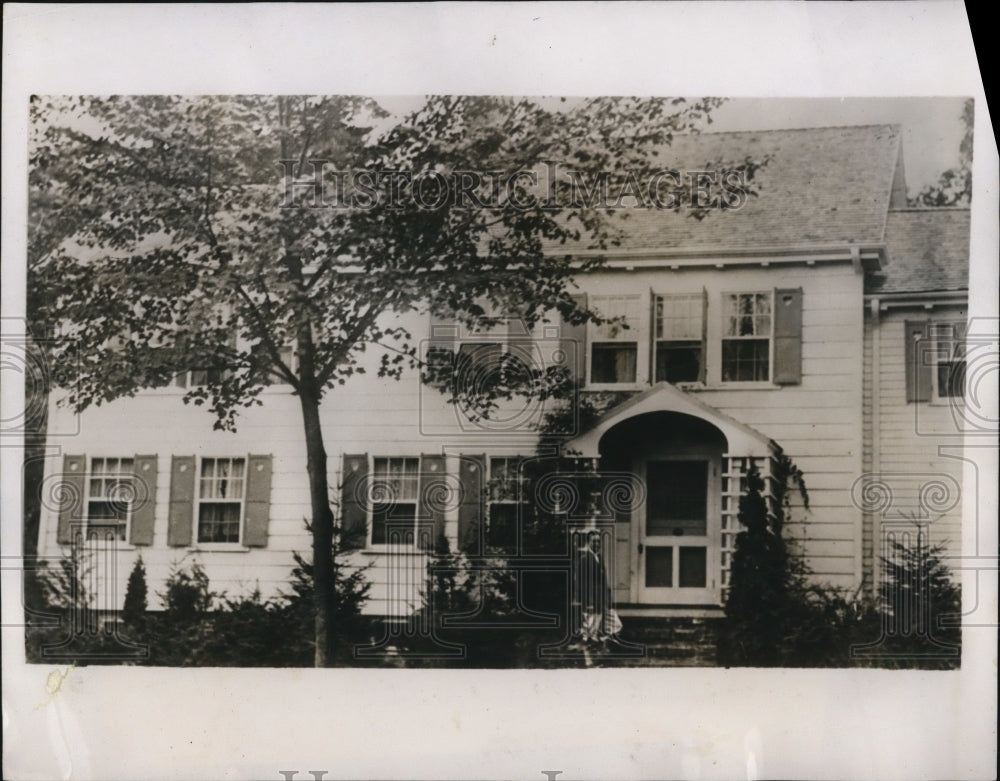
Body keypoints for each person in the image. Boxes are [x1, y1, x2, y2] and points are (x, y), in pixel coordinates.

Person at [575, 528, 623, 644]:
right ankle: (592, 648)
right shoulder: (584, 560)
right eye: (594, 541)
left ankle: (602, 641)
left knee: (616, 625)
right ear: (588, 543)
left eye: (598, 541)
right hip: (591, 602)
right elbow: (582, 583)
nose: (597, 544)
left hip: (601, 600)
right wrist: (589, 602)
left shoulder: (599, 558)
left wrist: (608, 600)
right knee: (591, 631)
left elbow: (604, 581)